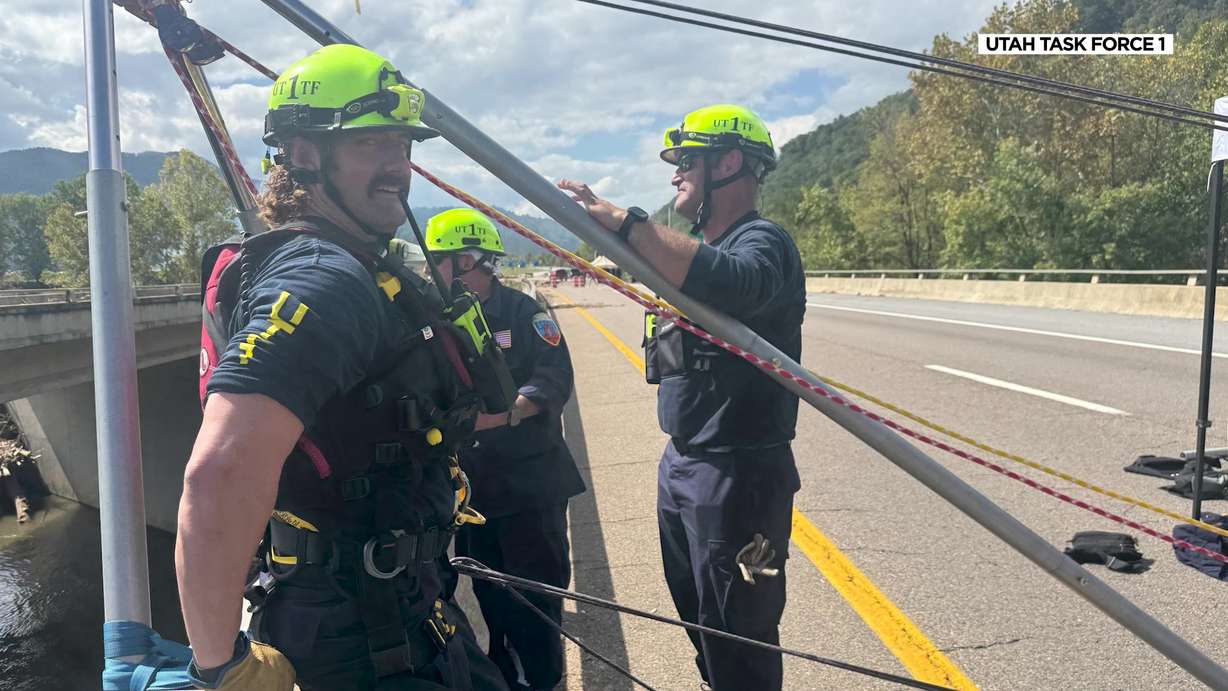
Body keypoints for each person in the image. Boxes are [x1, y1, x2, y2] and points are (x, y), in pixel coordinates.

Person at [180, 44, 510, 691]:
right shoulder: (322, 280)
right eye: (371, 143)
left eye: (402, 145)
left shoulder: (349, 265)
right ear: (304, 154)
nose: (397, 166)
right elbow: (220, 472)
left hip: (397, 607)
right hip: (359, 635)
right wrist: (223, 667)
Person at [558, 104, 805, 691]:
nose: (675, 175)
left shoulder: (763, 241)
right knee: (699, 615)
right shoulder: (693, 250)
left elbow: (736, 282)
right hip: (685, 462)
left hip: (739, 473)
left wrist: (630, 224)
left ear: (730, 162)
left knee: (740, 628)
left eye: (686, 161)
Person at [424, 208, 585, 691]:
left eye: (439, 261)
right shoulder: (436, 319)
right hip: (473, 495)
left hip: (528, 489)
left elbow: (553, 379)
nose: (432, 272)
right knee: (491, 598)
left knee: (535, 601)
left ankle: (543, 681)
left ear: (467, 261)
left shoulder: (523, 313)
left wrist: (502, 414)